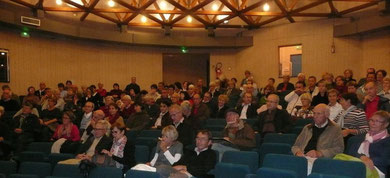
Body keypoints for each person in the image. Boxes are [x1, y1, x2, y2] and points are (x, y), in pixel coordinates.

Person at [346, 111, 390, 178]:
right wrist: (361, 157)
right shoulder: (359, 137)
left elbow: (385, 160)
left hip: (376, 170)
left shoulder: (387, 140)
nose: (373, 123)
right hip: (356, 165)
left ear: (386, 124)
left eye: (377, 121)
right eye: (371, 120)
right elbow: (350, 151)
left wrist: (368, 160)